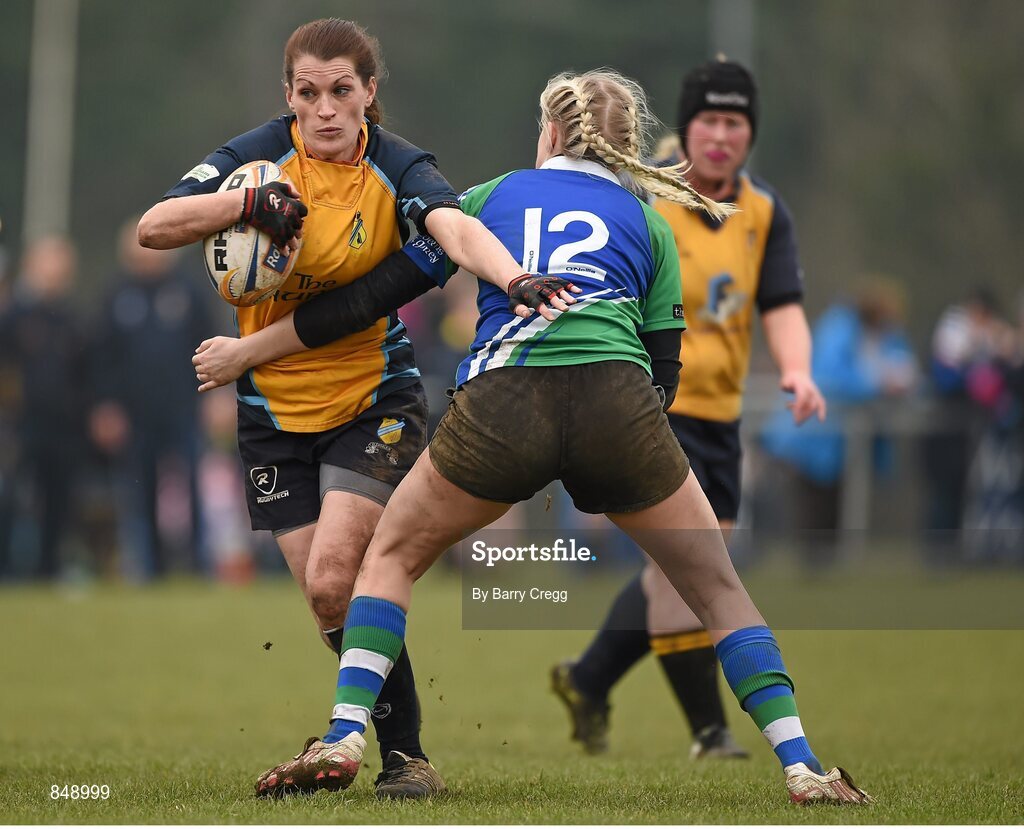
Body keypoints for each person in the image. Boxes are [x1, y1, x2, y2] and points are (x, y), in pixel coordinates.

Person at [194, 69, 870, 805]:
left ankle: (348, 731)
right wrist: (616, 450)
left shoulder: (484, 200)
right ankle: (804, 766)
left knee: (388, 557)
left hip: (502, 404)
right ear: (628, 147)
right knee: (718, 589)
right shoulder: (649, 223)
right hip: (620, 403)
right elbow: (665, 368)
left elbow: (379, 294)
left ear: (549, 132)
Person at [138, 17, 572, 800]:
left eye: (342, 91)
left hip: (372, 399)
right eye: (309, 93)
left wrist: (510, 279)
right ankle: (387, 743)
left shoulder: (398, 165)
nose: (326, 109)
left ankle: (402, 756)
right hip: (271, 412)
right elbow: (155, 224)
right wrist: (246, 206)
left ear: (370, 93)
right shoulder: (260, 154)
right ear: (290, 98)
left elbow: (453, 228)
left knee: (343, 567)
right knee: (327, 597)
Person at [547, 57, 825, 760]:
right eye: (710, 120)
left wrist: (797, 371)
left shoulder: (763, 211)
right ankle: (709, 730)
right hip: (650, 407)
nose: (721, 136)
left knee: (697, 569)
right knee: (687, 568)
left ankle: (589, 676)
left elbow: (782, 304)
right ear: (686, 125)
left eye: (736, 123)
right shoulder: (641, 186)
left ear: (750, 133)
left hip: (720, 420)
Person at [89, 218, 213, 579]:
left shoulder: (187, 292)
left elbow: (209, 344)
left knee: (192, 484)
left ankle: (198, 563)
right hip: (135, 414)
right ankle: (148, 567)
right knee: (139, 489)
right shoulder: (115, 296)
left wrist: (215, 397)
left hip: (184, 407)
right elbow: (102, 358)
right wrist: (106, 407)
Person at [0, 236, 89, 579]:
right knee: (12, 498)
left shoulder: (72, 318)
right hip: (20, 425)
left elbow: (84, 373)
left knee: (58, 500)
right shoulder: (13, 317)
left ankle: (47, 570)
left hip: (64, 429)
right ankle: (6, 569)